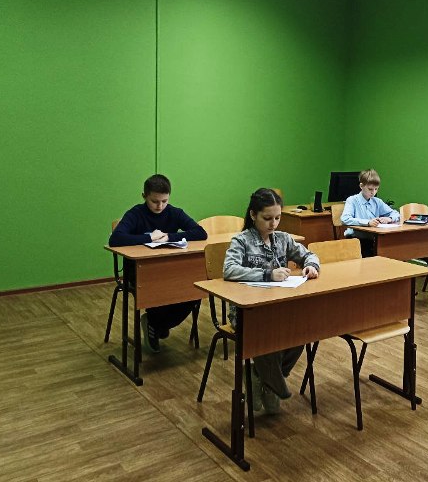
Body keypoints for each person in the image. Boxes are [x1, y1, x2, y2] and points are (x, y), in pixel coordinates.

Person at [223, 188, 320, 414]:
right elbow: (229, 269)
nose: (273, 223)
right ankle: (274, 384)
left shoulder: (283, 239)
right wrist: (267, 274)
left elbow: (309, 254)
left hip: (278, 307)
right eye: (267, 218)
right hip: (247, 312)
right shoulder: (241, 241)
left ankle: (263, 377)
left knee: (304, 328)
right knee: (268, 330)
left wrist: (311, 266)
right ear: (253, 215)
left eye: (277, 218)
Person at [108, 174, 208, 353]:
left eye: (164, 201)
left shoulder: (174, 212)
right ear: (144, 196)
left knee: (193, 290)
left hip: (171, 270)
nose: (160, 206)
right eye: (154, 201)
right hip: (139, 272)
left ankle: (155, 323)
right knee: (158, 288)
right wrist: (149, 238)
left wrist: (170, 237)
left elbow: (200, 233)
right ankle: (156, 324)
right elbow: (116, 239)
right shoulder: (135, 214)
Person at [340, 168, 400, 257]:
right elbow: (345, 219)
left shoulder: (377, 201)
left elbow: (396, 214)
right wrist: (368, 222)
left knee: (392, 249)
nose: (373, 192)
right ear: (361, 186)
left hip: (374, 239)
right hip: (356, 240)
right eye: (370, 189)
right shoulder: (352, 200)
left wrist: (389, 218)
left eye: (376, 189)